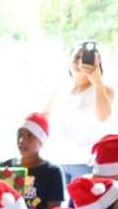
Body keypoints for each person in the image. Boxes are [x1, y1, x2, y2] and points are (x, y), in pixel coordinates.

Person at [44, 43, 115, 184]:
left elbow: (104, 117)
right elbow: (43, 119)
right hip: (59, 161)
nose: (79, 61)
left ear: (97, 61)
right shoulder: (60, 91)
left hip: (87, 163)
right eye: (76, 56)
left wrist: (97, 81)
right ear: (68, 60)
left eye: (85, 57)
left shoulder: (104, 88)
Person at [0, 113, 64, 209]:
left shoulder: (52, 171)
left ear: (41, 140)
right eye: (19, 135)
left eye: (29, 136)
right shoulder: (5, 167)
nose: (22, 140)